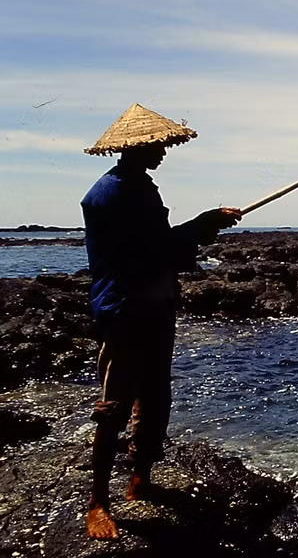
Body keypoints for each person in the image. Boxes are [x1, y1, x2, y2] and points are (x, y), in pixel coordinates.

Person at [80, 103, 243, 540]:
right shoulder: (111, 193)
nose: (163, 152)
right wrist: (202, 225)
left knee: (154, 397)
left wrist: (199, 228)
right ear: (136, 147)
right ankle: (98, 503)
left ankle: (140, 478)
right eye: (157, 145)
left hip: (154, 304)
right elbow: (151, 250)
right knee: (114, 406)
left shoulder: (138, 186)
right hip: (125, 309)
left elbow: (158, 246)